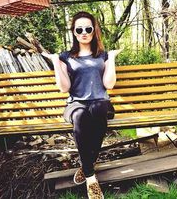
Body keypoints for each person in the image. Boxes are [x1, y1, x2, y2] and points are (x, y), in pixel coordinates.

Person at [42, 11, 121, 199]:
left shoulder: (102, 55)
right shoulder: (65, 57)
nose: (84, 32)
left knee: (98, 109)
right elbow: (64, 88)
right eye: (79, 29)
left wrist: (112, 58)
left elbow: (109, 85)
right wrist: (55, 62)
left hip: (100, 101)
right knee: (80, 116)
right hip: (75, 103)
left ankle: (86, 166)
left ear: (94, 31)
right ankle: (91, 177)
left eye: (88, 28)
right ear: (74, 33)